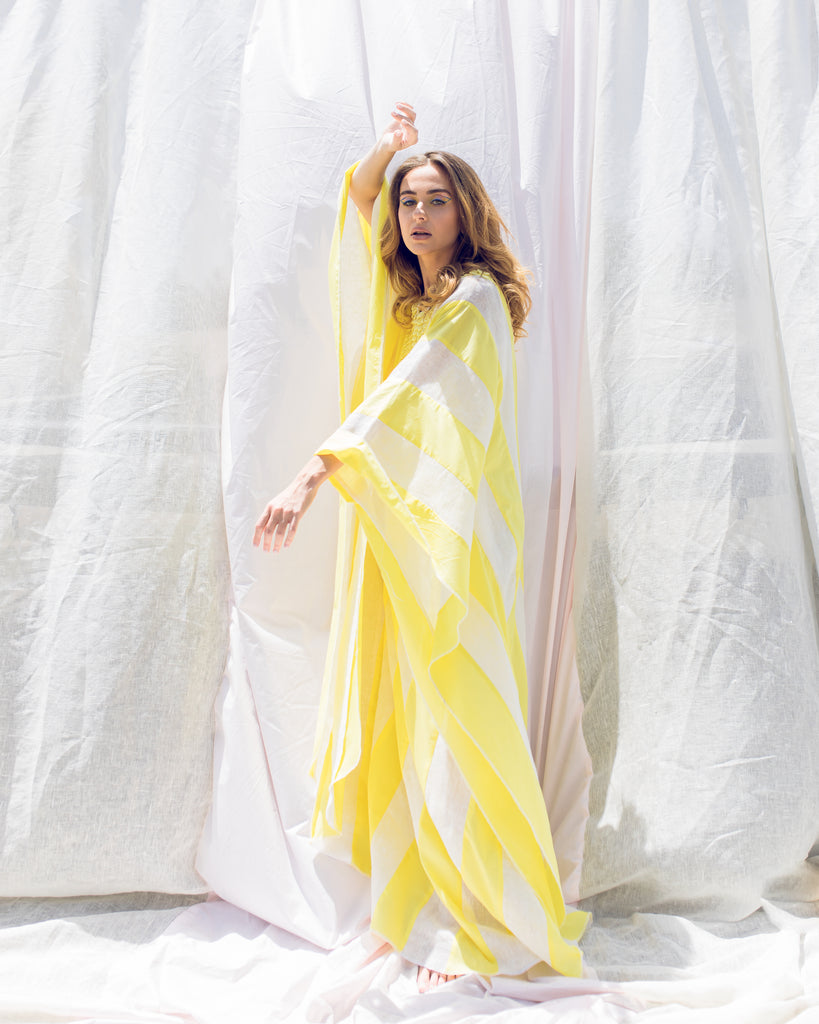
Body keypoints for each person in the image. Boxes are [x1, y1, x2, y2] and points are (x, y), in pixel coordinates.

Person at [253, 103, 587, 992]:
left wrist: (310, 475)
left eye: (437, 199)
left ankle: (488, 923)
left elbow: (402, 401)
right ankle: (432, 907)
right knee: (417, 717)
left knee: (461, 717)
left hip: (459, 542)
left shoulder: (471, 299)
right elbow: (360, 202)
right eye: (411, 201)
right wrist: (386, 153)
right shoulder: (414, 297)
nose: (417, 214)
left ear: (465, 212)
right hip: (418, 538)